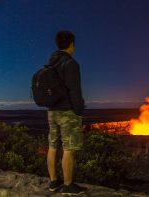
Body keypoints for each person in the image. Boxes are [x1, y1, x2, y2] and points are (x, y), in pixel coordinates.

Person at [46, 30, 86, 195]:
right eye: (74, 45)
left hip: (52, 111)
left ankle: (54, 182)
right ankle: (68, 186)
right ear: (71, 45)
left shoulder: (51, 63)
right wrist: (79, 111)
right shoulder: (71, 64)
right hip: (67, 113)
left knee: (53, 146)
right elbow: (75, 91)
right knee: (69, 149)